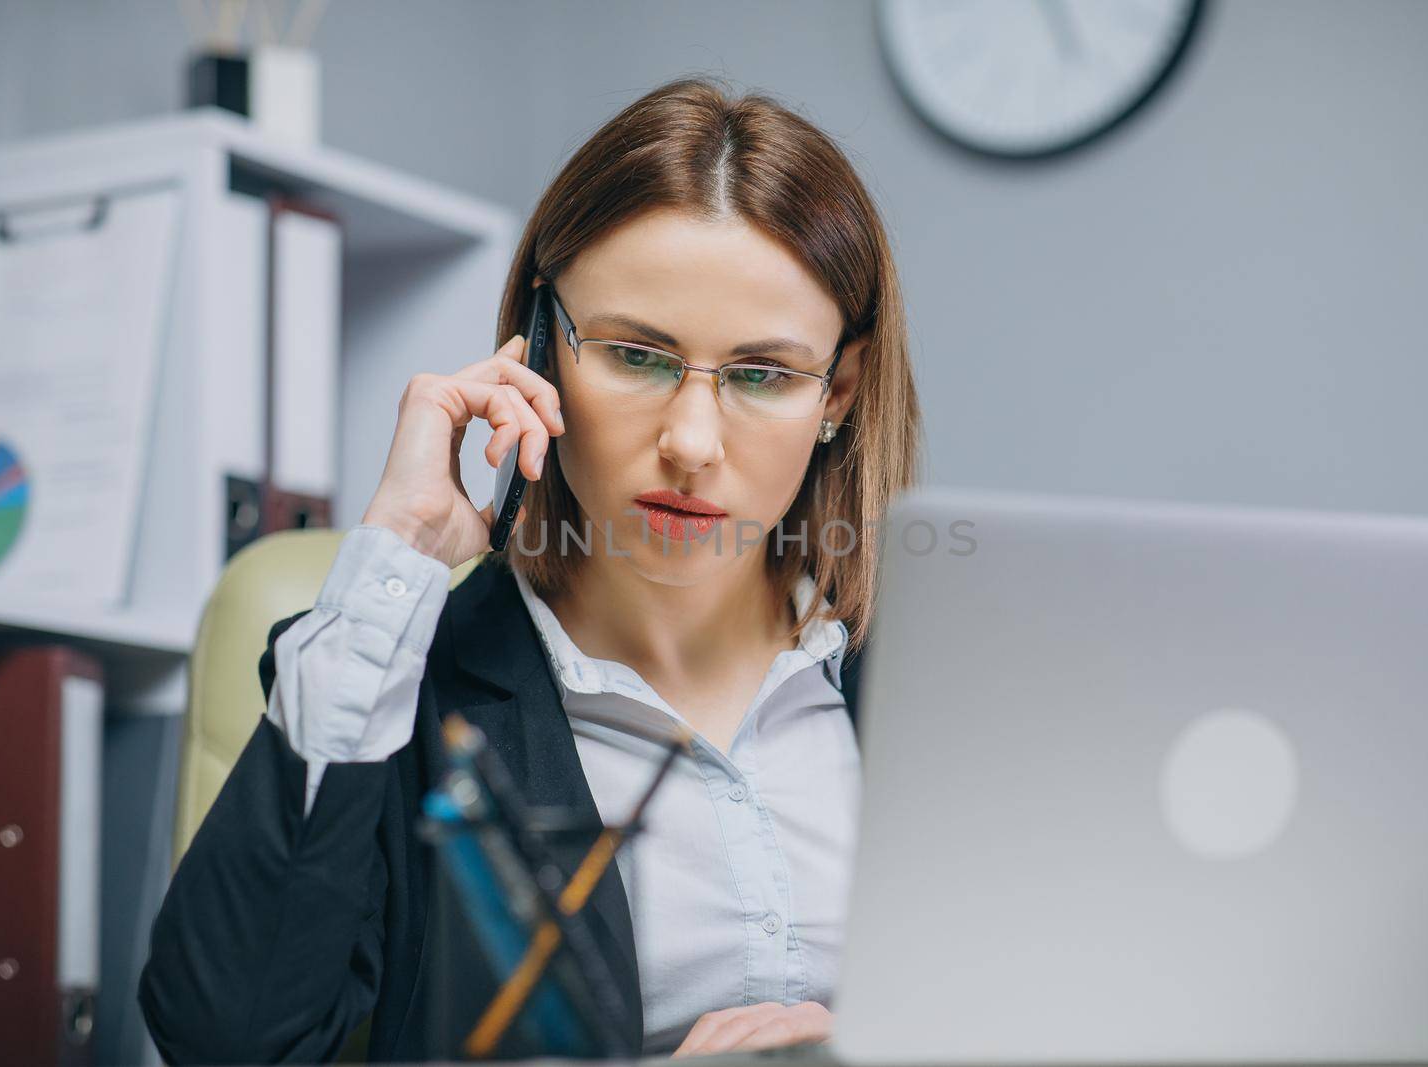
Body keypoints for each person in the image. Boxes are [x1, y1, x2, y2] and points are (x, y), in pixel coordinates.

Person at [138, 74, 921, 1064]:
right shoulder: (406, 692)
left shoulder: (931, 685)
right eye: (637, 354)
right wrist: (399, 554)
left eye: (763, 374)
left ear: (838, 392)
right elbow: (228, 1037)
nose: (690, 441)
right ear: (543, 348)